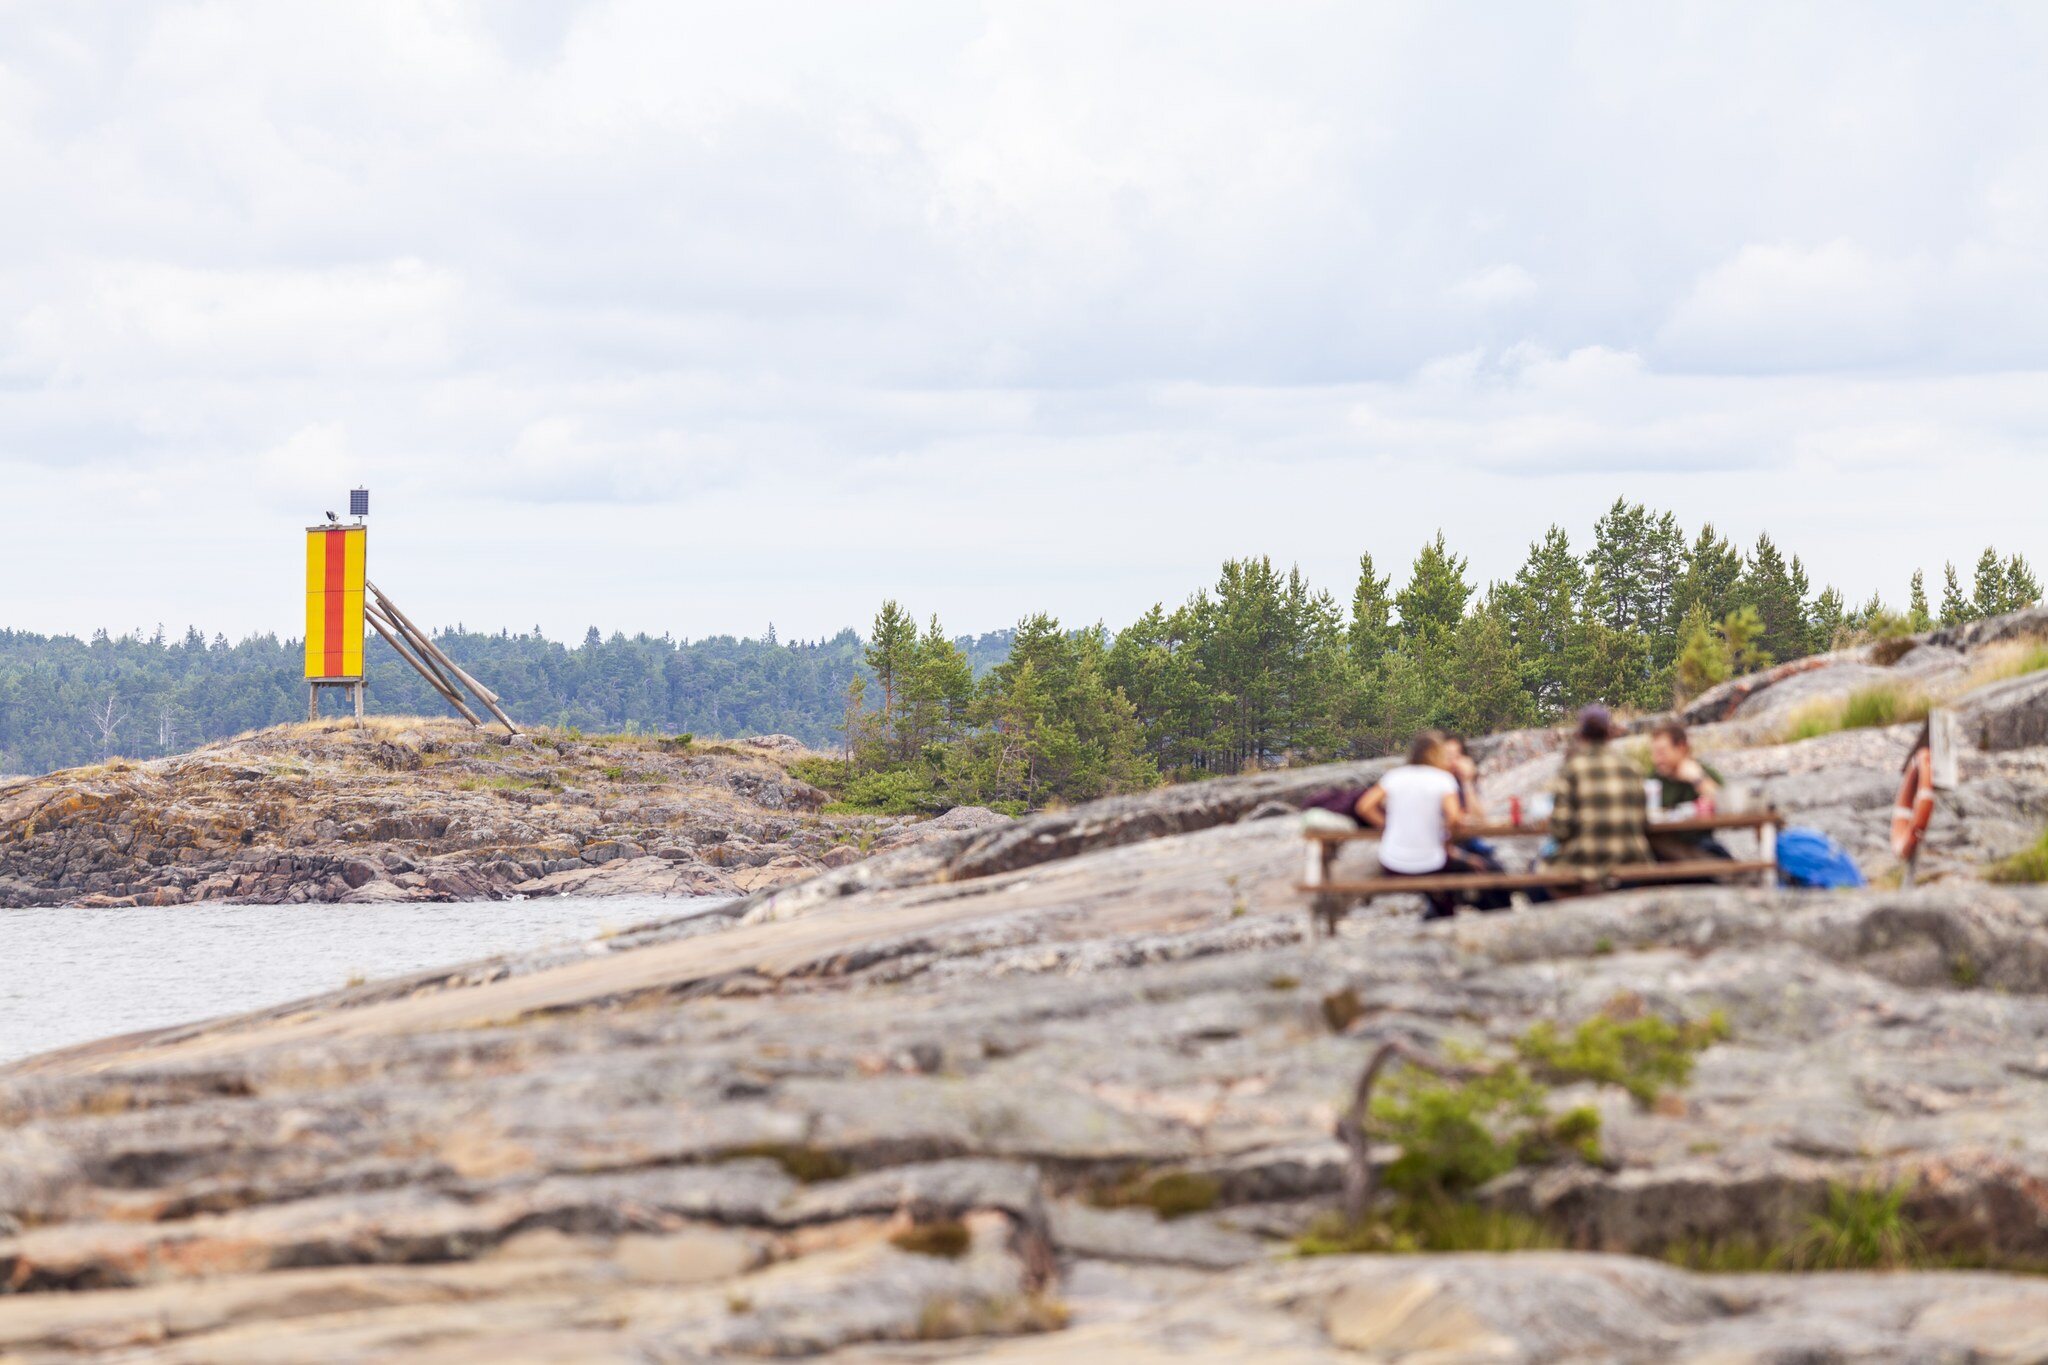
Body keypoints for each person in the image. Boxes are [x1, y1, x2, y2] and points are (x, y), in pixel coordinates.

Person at [1354, 731, 1466, 919]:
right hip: (1431, 864)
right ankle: (1445, 919)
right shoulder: (1443, 779)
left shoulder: (1395, 776)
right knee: (1459, 870)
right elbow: (1454, 817)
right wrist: (1443, 833)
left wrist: (1387, 826)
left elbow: (1364, 806)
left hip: (1392, 863)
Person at [1545, 705, 1652, 877]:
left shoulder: (1572, 770)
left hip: (1585, 863)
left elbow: (1560, 829)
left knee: (1537, 880)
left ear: (1581, 734)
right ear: (1609, 733)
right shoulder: (1633, 768)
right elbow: (1643, 822)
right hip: (1633, 860)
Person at [1647, 721, 1733, 862]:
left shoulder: (1701, 772)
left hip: (1699, 843)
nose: (1656, 759)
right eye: (1654, 753)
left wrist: (1697, 779)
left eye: (1662, 753)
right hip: (1661, 848)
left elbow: (1727, 805)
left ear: (1681, 748)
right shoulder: (1653, 780)